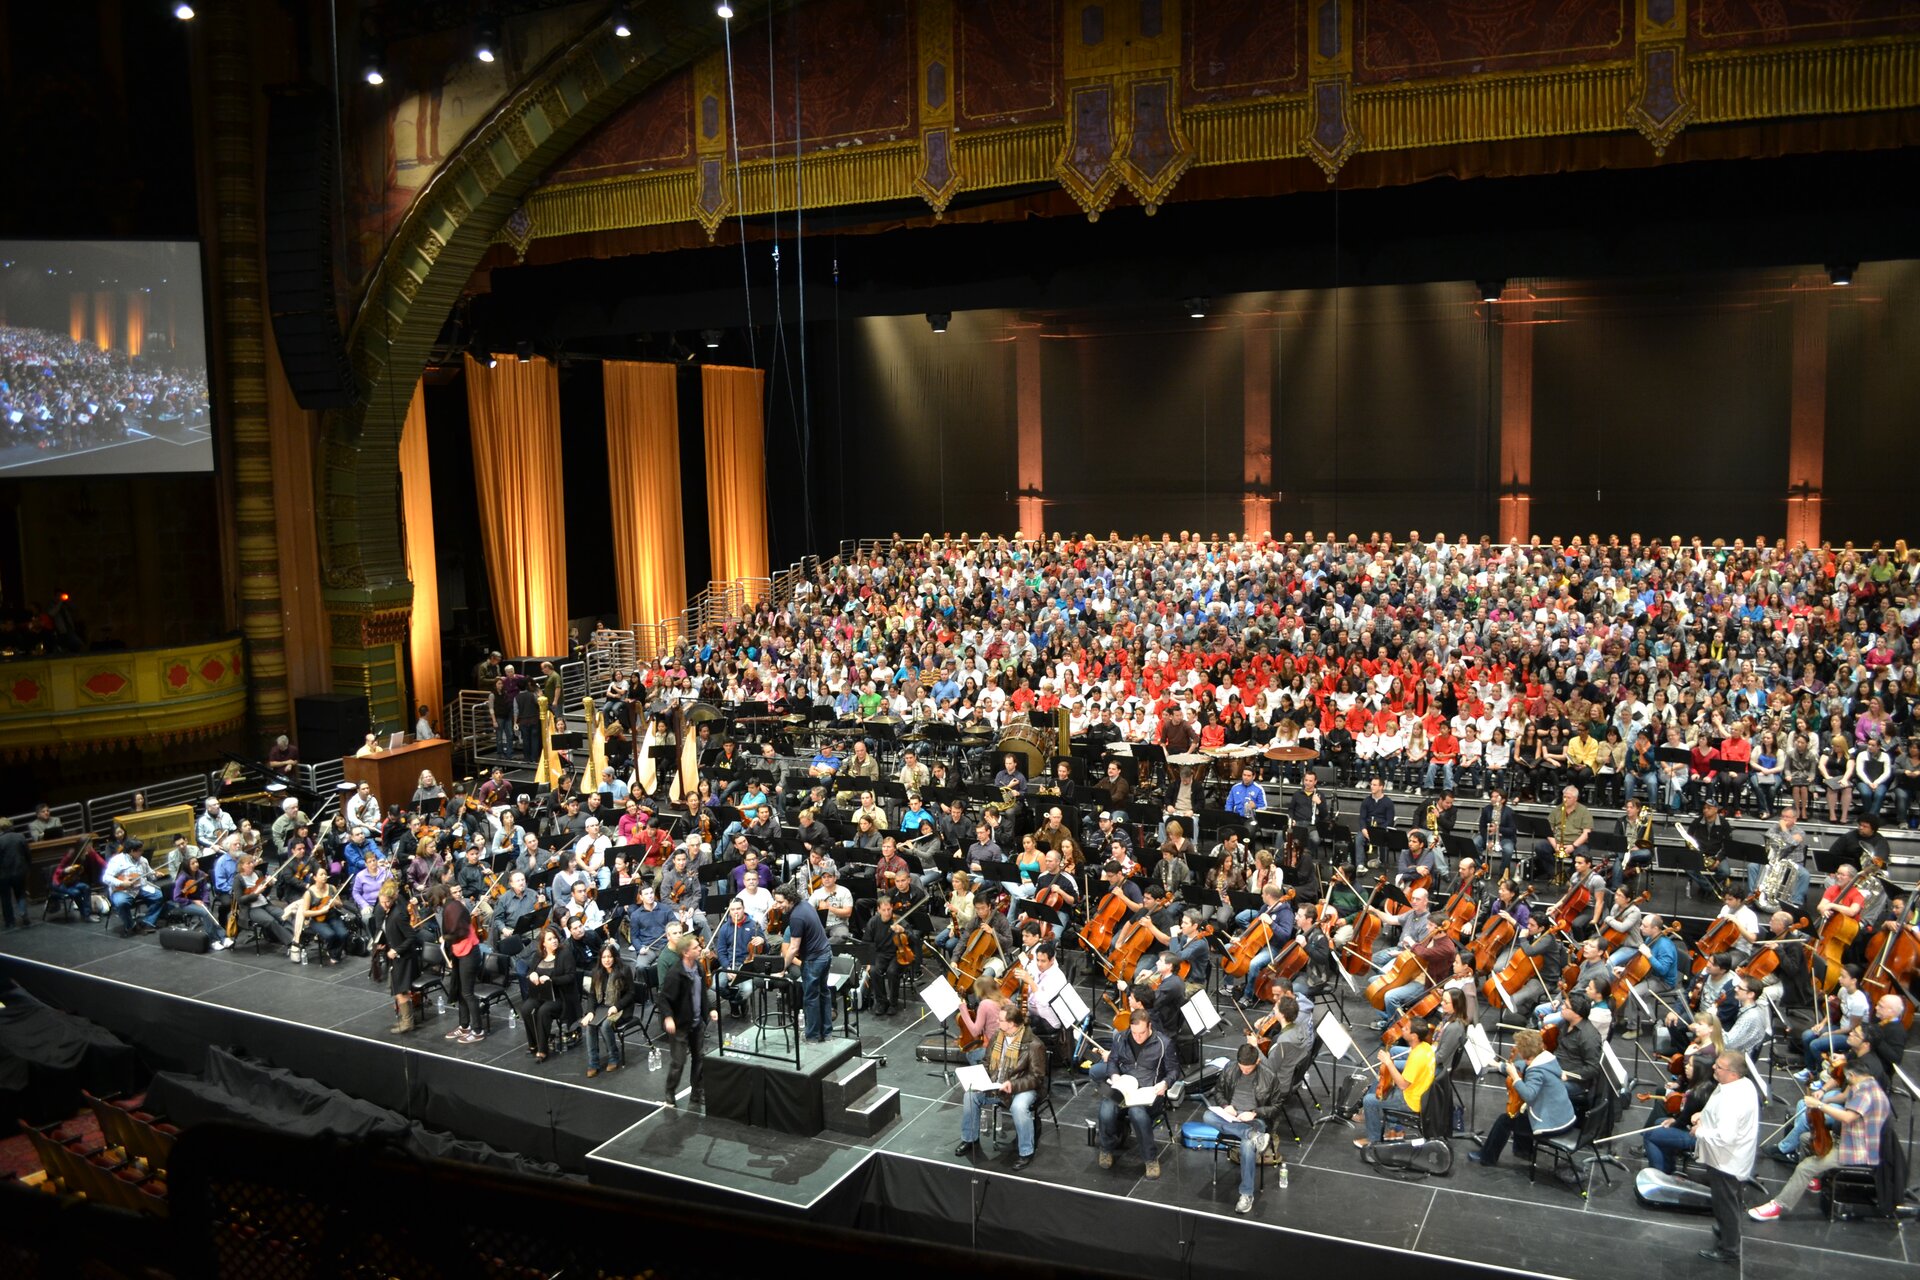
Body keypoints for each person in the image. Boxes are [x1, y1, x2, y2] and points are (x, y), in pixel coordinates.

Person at [1747, 1060, 1890, 1225]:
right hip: (1846, 1137)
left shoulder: (1867, 1094)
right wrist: (1824, 1099)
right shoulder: (1865, 1083)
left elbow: (1848, 1117)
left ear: (1851, 1075)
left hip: (1854, 1148)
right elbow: (1844, 1097)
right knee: (1806, 1138)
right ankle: (1811, 1181)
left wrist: (1820, 1105)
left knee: (1804, 1167)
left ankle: (1778, 1206)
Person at [1679, 1051, 1762, 1264]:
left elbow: (1725, 1136)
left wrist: (1699, 1131)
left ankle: (1729, 1248)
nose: (1714, 1068)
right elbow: (1717, 1110)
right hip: (1733, 1157)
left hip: (1726, 1161)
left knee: (1725, 1203)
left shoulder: (1732, 1099)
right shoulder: (1741, 1085)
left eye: (1719, 1067)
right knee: (1731, 1200)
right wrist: (1703, 1116)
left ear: (1733, 1074)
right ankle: (1727, 1229)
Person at [956, 995, 1050, 1172]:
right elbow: (986, 1062)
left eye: (1000, 1020)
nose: (997, 1023)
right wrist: (978, 1077)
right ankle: (969, 1138)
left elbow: (1036, 1077)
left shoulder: (1034, 1045)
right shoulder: (997, 1037)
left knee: (1019, 1107)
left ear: (1012, 1024)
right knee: (970, 1095)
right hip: (996, 1083)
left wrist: (1012, 1085)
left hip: (1023, 1087)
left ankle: (1026, 1152)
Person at [1467, 1028, 1575, 1168]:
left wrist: (1515, 1077)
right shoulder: (1547, 1059)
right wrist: (1500, 1066)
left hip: (1552, 1124)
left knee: (1505, 1120)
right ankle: (1523, 1151)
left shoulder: (1537, 1071)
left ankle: (1486, 1158)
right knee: (1520, 1113)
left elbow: (1529, 1095)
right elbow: (1522, 1065)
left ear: (1526, 1054)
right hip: (1565, 1117)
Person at [1208, 1042, 1280, 1214]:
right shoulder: (1230, 1068)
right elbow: (1217, 1091)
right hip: (1231, 1117)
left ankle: (1246, 1194)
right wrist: (1225, 1105)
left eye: (1248, 1069)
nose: (1244, 1071)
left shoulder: (1269, 1076)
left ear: (1257, 1063)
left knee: (1247, 1145)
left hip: (1255, 1120)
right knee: (1207, 1116)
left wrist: (1254, 1112)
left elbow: (1277, 1107)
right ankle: (1253, 1135)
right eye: (1242, 1068)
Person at [1357, 1017, 1435, 1149]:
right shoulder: (1425, 1047)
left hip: (1411, 1100)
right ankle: (1393, 1128)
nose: (1402, 1029)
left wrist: (1388, 1063)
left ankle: (1373, 1140)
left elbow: (1403, 1085)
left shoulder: (1417, 1056)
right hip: (1420, 1092)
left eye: (1406, 1029)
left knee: (1369, 1100)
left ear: (1414, 1036)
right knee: (1382, 1083)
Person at [779, 885, 834, 1042]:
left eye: (780, 902)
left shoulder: (796, 917)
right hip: (826, 954)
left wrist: (781, 968)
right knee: (823, 993)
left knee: (810, 998)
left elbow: (793, 947)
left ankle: (812, 1036)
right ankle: (827, 1033)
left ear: (789, 900)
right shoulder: (805, 904)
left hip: (814, 960)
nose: (778, 905)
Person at [436, 883, 485, 1044]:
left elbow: (460, 932)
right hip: (461, 953)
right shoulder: (452, 907)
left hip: (469, 953)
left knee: (468, 993)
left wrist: (446, 938)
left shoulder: (454, 907)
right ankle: (464, 1025)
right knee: (461, 992)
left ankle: (478, 1030)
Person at [581, 941, 637, 1078]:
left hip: (621, 1007)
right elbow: (592, 995)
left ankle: (613, 1056)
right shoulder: (596, 972)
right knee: (590, 1025)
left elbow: (631, 994)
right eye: (604, 957)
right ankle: (593, 1062)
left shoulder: (624, 971)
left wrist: (616, 1006)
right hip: (602, 1006)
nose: (607, 960)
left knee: (605, 1025)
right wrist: (590, 1012)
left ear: (615, 957)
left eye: (609, 957)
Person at [378, 882, 423, 1032]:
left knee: (401, 990)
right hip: (397, 957)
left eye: (387, 902)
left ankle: (408, 1023)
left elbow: (411, 937)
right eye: (382, 901)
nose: (384, 904)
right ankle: (406, 1019)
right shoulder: (389, 912)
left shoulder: (398, 914)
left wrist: (396, 950)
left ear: (392, 899)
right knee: (398, 989)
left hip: (404, 959)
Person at [0, 817, 32, 929]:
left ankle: (10, 921)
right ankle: (24, 914)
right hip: (19, 871)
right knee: (21, 894)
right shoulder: (20, 837)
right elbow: (28, 854)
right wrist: (28, 867)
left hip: (3, 874)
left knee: (5, 898)